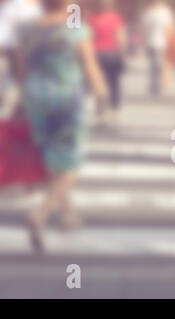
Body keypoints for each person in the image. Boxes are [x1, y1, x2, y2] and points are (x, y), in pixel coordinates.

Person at [17, 0, 108, 253]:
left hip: (34, 96)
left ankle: (68, 214)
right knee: (70, 162)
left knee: (51, 156)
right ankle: (41, 215)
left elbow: (22, 68)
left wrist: (20, 101)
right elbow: (89, 65)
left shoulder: (25, 28)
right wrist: (102, 94)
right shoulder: (75, 28)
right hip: (65, 98)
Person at [89, 0, 127, 125]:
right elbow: (120, 36)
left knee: (99, 82)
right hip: (112, 53)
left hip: (98, 54)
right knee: (114, 83)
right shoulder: (115, 18)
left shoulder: (93, 19)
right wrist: (122, 52)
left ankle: (101, 110)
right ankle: (115, 110)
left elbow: (89, 37)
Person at [142, 0, 175, 96]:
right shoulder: (165, 12)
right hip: (159, 42)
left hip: (154, 42)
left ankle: (155, 85)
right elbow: (170, 27)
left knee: (155, 65)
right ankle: (156, 85)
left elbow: (144, 29)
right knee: (157, 65)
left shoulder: (149, 13)